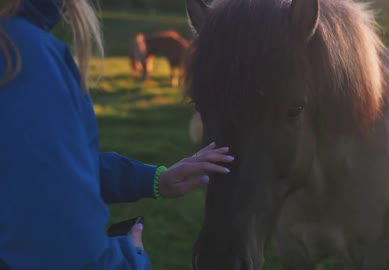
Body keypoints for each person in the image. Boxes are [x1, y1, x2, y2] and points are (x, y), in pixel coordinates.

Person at [0, 0, 233, 269]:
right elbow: (68, 250)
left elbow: (37, 165)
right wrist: (128, 260)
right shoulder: (21, 55)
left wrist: (155, 180)